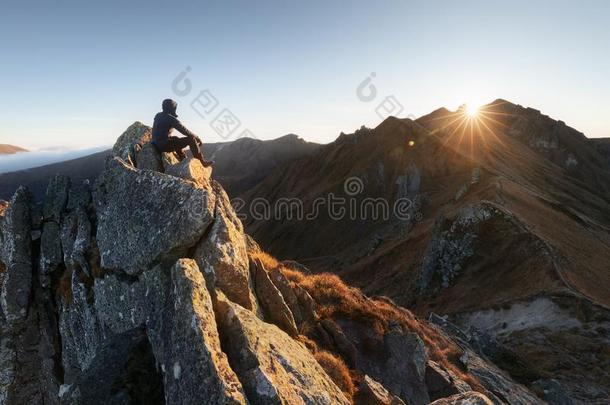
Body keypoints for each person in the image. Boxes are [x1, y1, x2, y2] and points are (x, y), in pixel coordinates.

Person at [151, 99, 213, 167]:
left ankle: (182, 158)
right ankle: (202, 162)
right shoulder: (171, 118)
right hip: (164, 146)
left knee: (175, 138)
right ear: (172, 108)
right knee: (191, 139)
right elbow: (185, 131)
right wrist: (197, 138)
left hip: (155, 143)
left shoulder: (158, 115)